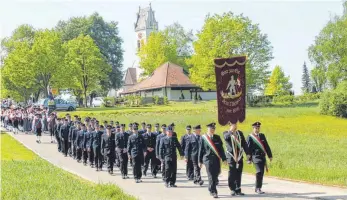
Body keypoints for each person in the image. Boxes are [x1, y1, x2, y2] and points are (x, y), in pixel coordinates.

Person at [199, 123, 227, 198]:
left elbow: (221, 149)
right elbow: (201, 150)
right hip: (207, 159)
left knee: (215, 175)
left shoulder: (217, 137)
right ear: (207, 129)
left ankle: (210, 187)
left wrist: (224, 159)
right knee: (211, 175)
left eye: (213, 129)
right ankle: (213, 191)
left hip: (216, 159)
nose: (212, 130)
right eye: (211, 129)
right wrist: (200, 161)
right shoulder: (203, 138)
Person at [223, 122, 250, 196]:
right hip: (231, 157)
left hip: (239, 156)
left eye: (236, 124)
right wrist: (231, 131)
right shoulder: (226, 133)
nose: (235, 126)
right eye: (233, 124)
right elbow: (226, 138)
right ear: (230, 125)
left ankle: (238, 189)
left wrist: (247, 153)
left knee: (239, 173)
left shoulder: (239, 133)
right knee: (232, 173)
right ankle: (232, 189)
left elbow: (244, 143)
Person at [246, 122, 273, 194]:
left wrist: (270, 155)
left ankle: (258, 188)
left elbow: (266, 146)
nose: (257, 129)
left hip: (262, 157)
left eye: (258, 128)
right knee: (259, 171)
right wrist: (248, 159)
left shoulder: (262, 136)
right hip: (255, 156)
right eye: (256, 128)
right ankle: (257, 188)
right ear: (253, 128)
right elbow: (248, 149)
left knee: (261, 172)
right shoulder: (250, 137)